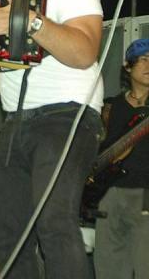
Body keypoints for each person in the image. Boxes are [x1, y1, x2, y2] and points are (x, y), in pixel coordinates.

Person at [0, 0, 104, 279]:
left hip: (64, 116)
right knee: (6, 236)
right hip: (16, 121)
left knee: (55, 224)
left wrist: (29, 20)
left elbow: (84, 51)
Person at [93, 39, 149, 279]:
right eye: (144, 59)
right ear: (128, 66)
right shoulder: (112, 106)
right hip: (111, 194)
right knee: (109, 266)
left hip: (145, 194)